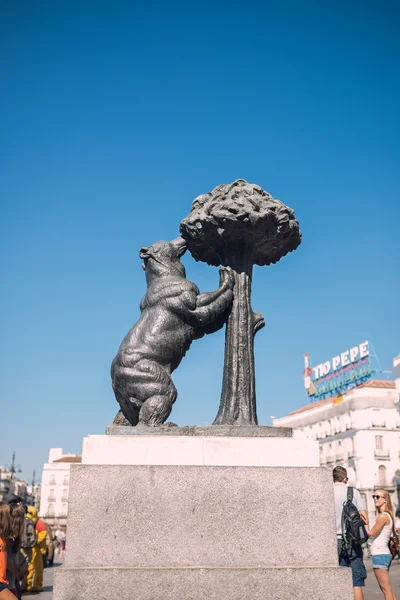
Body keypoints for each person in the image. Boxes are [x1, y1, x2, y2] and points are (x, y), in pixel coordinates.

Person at [333, 466, 368, 600]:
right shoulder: (353, 492)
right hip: (352, 540)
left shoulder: (328, 492)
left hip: (333, 541)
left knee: (338, 581)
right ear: (345, 478)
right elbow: (365, 518)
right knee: (356, 582)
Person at [367, 489, 397, 600]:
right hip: (383, 553)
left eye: (378, 496)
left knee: (386, 590)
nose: (375, 498)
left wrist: (358, 526)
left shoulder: (383, 516)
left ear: (385, 500)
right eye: (374, 496)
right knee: (387, 589)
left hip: (379, 554)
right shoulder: (388, 515)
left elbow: (371, 534)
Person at [25, 507, 46, 593]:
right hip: (32, 547)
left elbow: (43, 534)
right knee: (30, 567)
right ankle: (28, 584)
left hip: (37, 548)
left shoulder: (39, 523)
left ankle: (35, 584)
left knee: (37, 568)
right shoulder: (31, 522)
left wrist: (36, 541)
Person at [0, 503, 17, 600]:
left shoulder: (3, 539)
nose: (13, 519)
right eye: (11, 515)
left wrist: (16, 569)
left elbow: (3, 559)